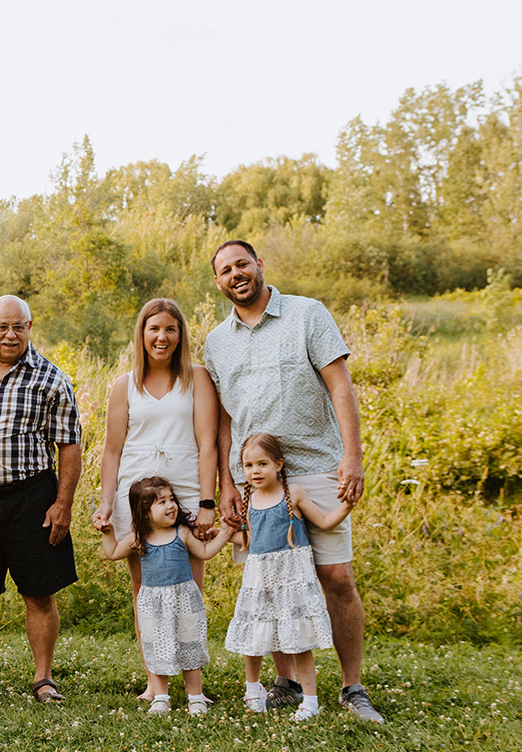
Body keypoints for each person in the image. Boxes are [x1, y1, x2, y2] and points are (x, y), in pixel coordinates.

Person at [204, 239, 385, 723]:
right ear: (218, 282)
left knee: (336, 576)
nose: (236, 274)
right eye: (225, 270)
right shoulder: (216, 341)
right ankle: (285, 682)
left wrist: (352, 455)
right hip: (256, 480)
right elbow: (224, 419)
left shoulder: (308, 314)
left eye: (242, 263)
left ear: (259, 265)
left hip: (318, 466)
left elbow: (339, 383)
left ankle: (352, 686)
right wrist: (227, 481)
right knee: (271, 582)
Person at [0, 295, 83, 704]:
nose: (10, 334)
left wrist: (63, 504)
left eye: (18, 326)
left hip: (31, 498)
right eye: (2, 326)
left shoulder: (51, 378)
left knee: (40, 593)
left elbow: (70, 446)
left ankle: (44, 679)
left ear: (29, 326)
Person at [91, 297, 218, 697]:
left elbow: (208, 443)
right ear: (142, 334)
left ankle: (191, 682)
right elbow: (112, 450)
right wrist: (106, 501)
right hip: (139, 494)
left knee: (188, 589)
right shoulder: (123, 385)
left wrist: (207, 502)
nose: (161, 337)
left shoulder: (195, 377)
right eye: (154, 329)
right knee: (144, 591)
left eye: (170, 329)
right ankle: (155, 681)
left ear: (180, 335)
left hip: (184, 489)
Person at [223, 434, 353, 721]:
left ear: (279, 464)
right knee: (256, 632)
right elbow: (246, 540)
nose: (255, 471)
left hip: (292, 577)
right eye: (248, 465)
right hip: (260, 579)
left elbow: (324, 521)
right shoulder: (249, 500)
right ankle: (253, 689)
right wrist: (216, 534)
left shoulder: (292, 493)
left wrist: (347, 506)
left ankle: (310, 701)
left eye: (262, 463)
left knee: (298, 638)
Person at [100, 477, 234, 714]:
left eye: (171, 499)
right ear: (144, 512)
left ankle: (195, 697)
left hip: (185, 601)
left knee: (189, 647)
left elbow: (204, 552)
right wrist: (108, 532)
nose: (171, 505)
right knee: (158, 648)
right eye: (161, 502)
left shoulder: (182, 532)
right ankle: (161, 696)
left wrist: (225, 534)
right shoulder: (137, 538)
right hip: (154, 604)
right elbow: (111, 553)